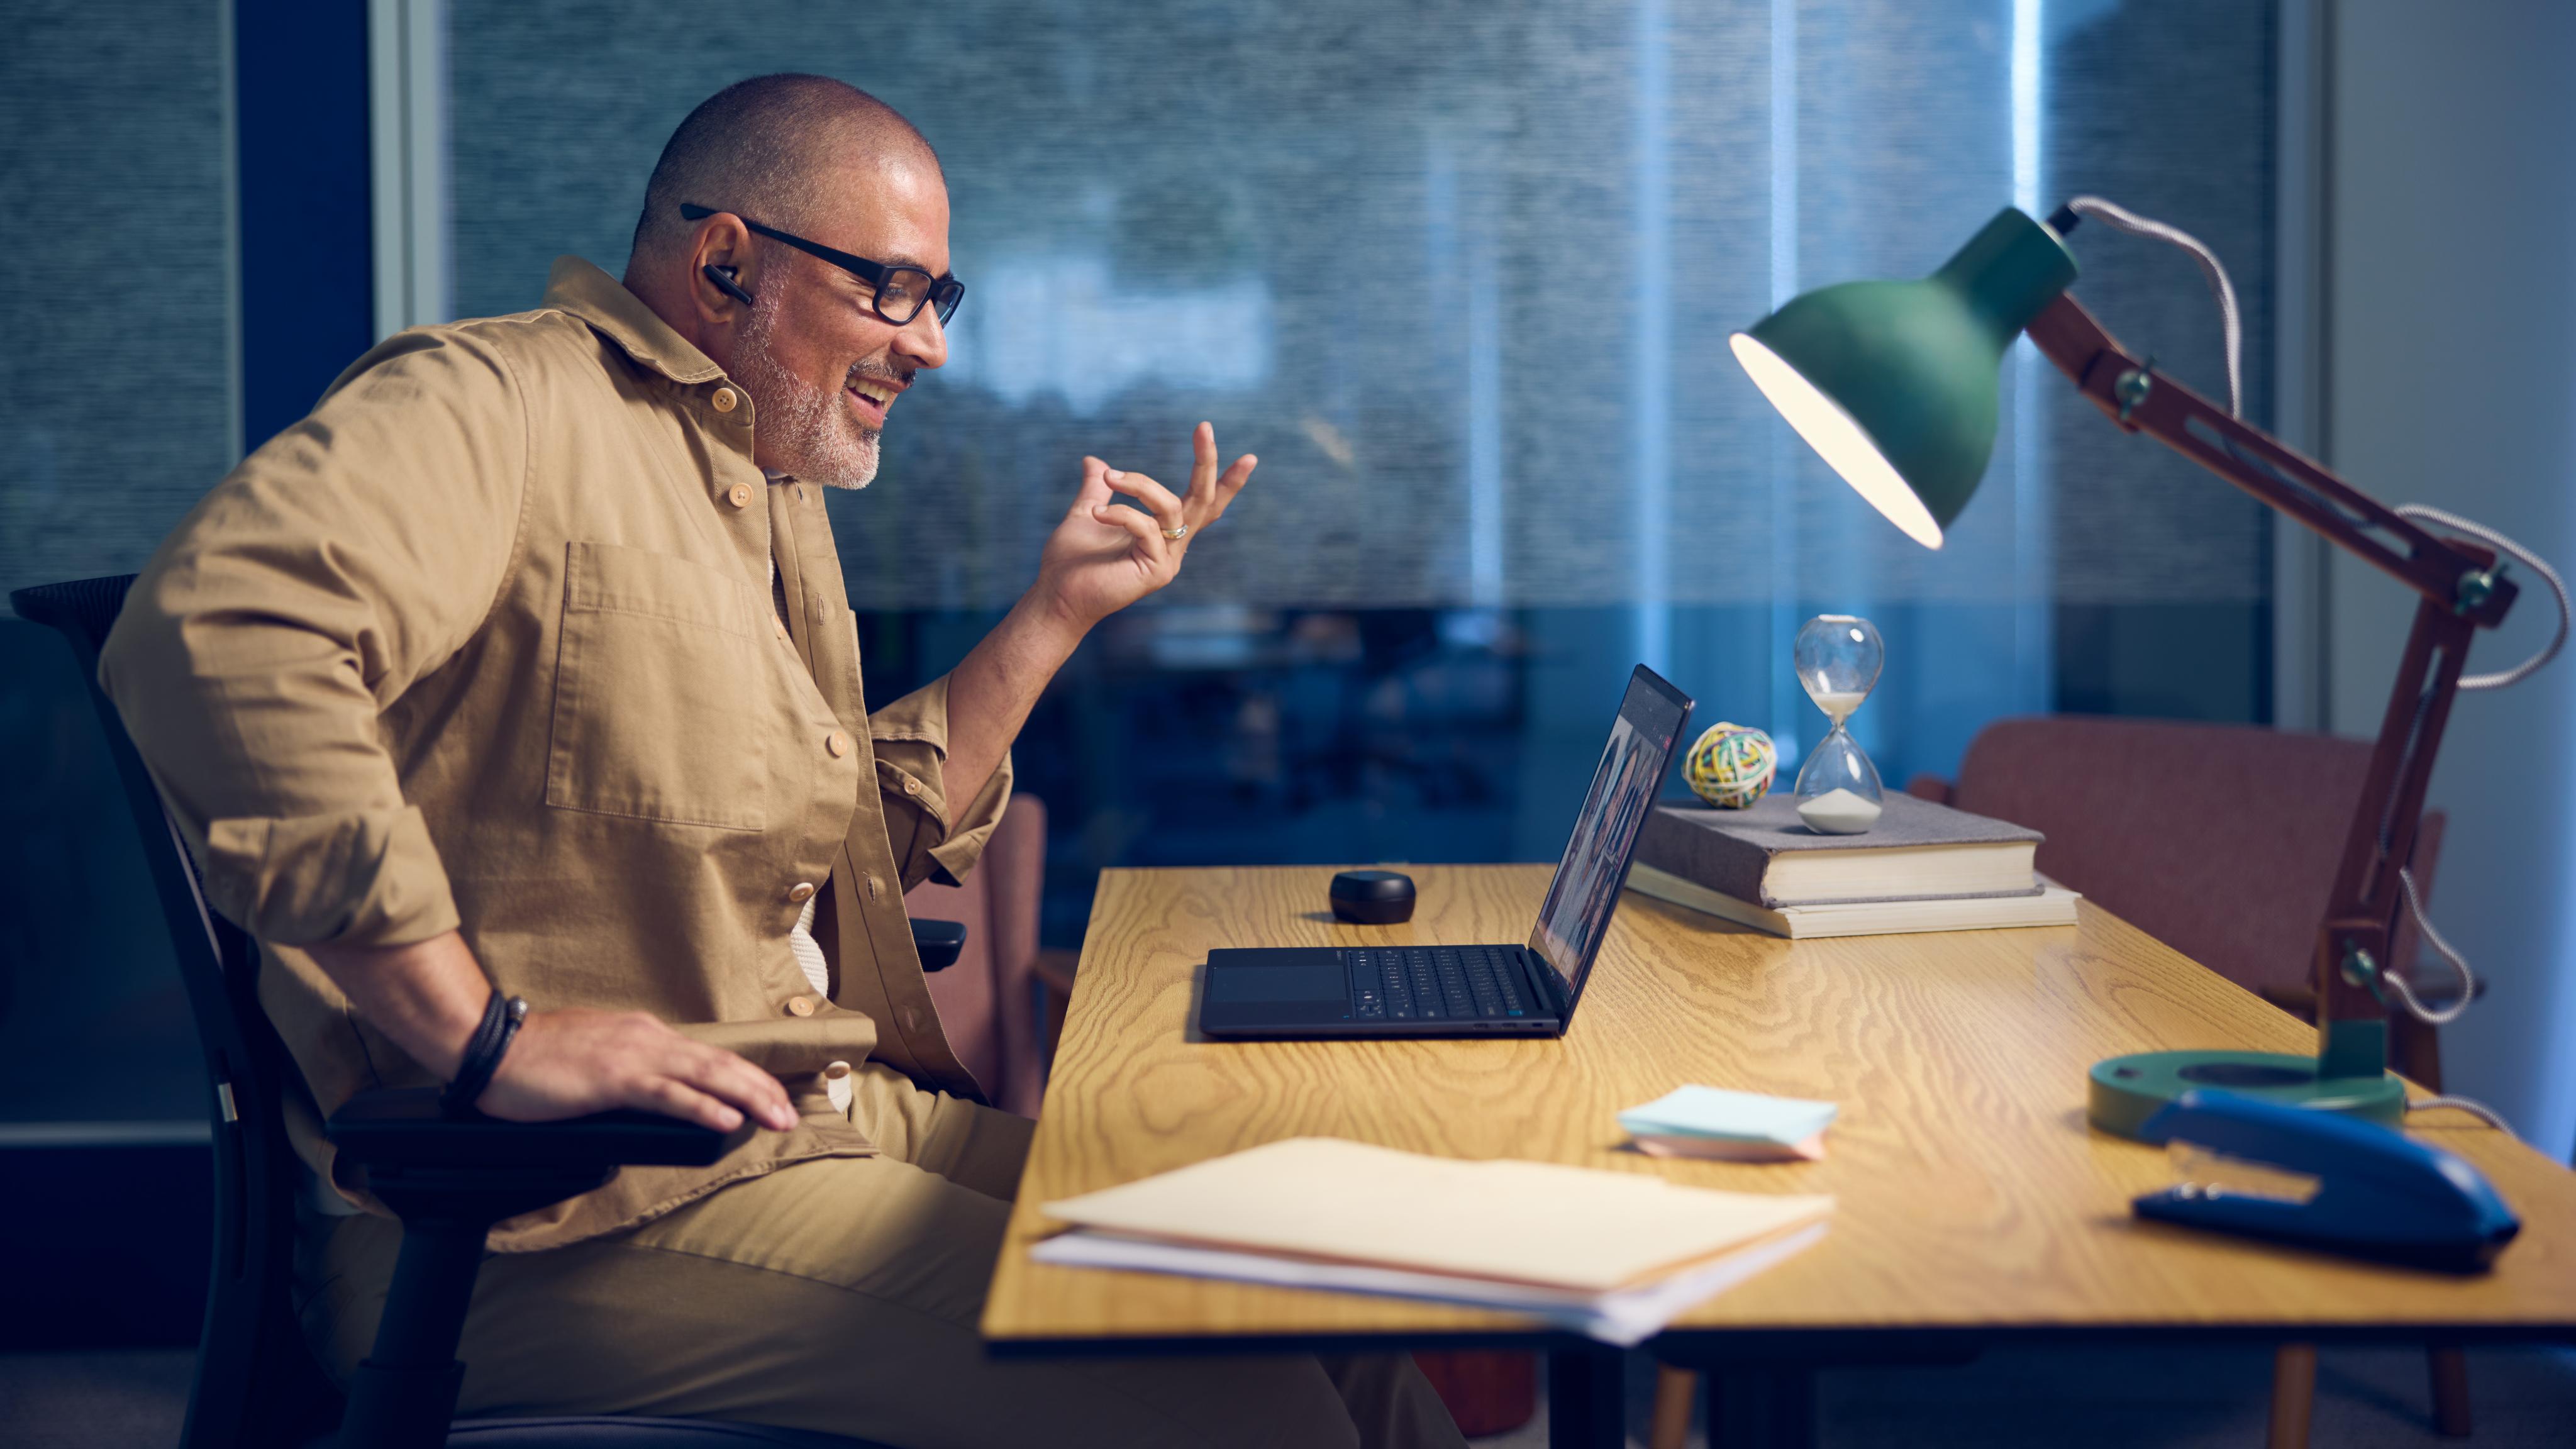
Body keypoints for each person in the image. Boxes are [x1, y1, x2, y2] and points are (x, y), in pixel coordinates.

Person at [101, 73, 1466, 1449]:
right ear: (725, 260)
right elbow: (220, 629)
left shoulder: (759, 483)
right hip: (555, 1211)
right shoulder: (496, 401)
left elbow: (839, 846)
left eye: (942, 297)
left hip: (811, 1113)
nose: (927, 346)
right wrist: (478, 1035)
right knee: (1250, 1403)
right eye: (891, 287)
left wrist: (1057, 614)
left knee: (1321, 1304)